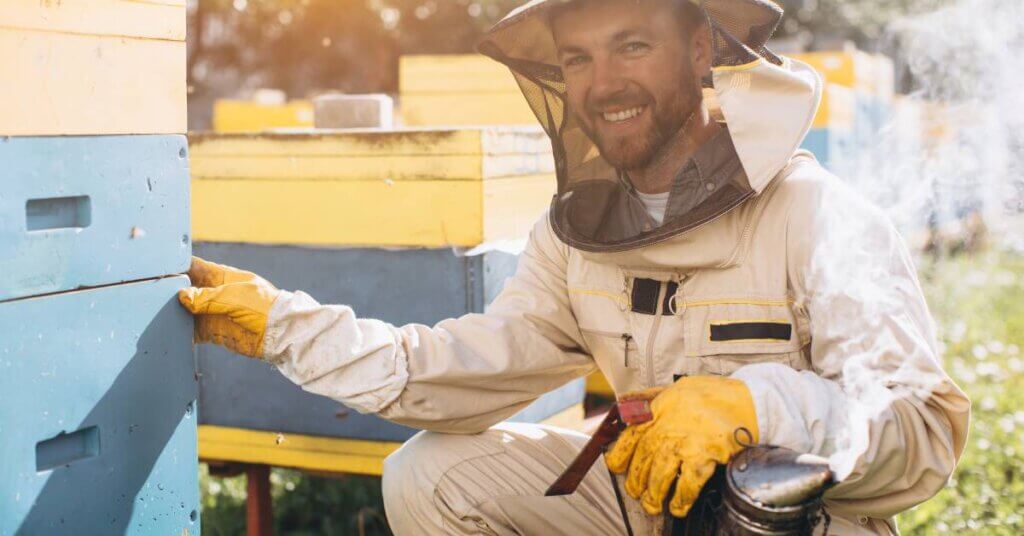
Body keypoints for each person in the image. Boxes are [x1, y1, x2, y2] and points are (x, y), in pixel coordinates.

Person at [179, 0, 970, 533]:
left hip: (797, 517)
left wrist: (757, 405)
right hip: (647, 498)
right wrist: (285, 327)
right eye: (580, 58)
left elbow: (924, 431)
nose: (604, 84)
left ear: (700, 49)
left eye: (632, 45)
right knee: (430, 474)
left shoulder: (816, 213)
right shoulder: (576, 235)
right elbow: (460, 369)